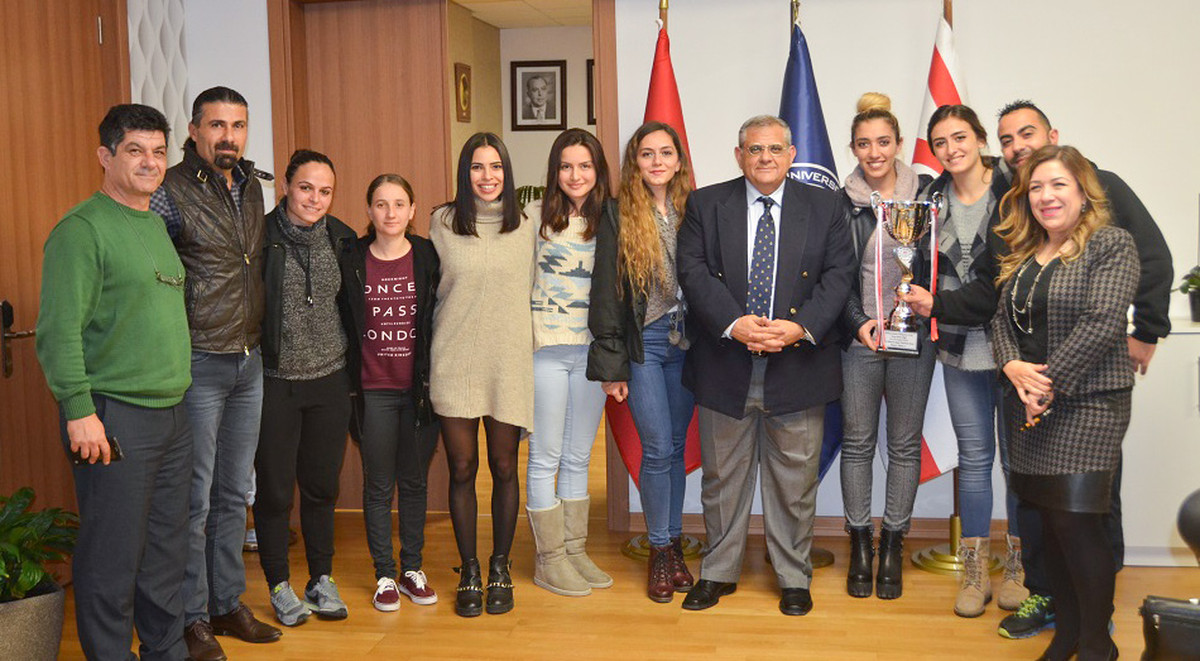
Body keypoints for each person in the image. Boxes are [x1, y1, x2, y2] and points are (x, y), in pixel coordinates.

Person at [902, 100, 1173, 637]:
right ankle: (1054, 604)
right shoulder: (1023, 224)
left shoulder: (1107, 211)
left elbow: (1130, 287)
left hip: (1086, 392)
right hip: (1025, 383)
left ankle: (1097, 621)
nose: (1018, 147)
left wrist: (1146, 330)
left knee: (1090, 510)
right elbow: (1001, 303)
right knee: (1040, 502)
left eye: (1026, 134)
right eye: (1008, 140)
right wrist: (1014, 366)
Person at [675, 115, 855, 616]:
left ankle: (793, 576)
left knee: (795, 482)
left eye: (775, 148)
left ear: (792, 154)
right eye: (754, 150)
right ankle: (717, 571)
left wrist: (801, 327)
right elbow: (690, 270)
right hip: (725, 361)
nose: (765, 158)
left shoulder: (826, 204)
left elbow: (839, 275)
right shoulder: (707, 203)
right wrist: (734, 322)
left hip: (799, 364)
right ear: (739, 156)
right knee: (721, 479)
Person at [36, 103, 192, 660]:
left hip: (173, 413)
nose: (150, 163)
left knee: (165, 555)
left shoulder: (153, 223)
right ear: (105, 156)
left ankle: (165, 651)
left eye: (157, 151)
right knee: (111, 558)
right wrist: (79, 410)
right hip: (114, 417)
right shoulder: (81, 231)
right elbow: (57, 333)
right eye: (135, 151)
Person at [992, 144, 1137, 661]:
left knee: (1078, 523)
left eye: (1058, 185)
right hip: (1028, 406)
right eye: (1035, 187)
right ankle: (1068, 633)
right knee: (1050, 524)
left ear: (1082, 192)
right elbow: (999, 322)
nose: (1046, 196)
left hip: (1089, 404)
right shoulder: (1024, 255)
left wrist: (1045, 387)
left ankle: (1098, 643)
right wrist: (1012, 369)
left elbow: (1102, 321)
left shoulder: (1111, 244)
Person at [149, 86, 279, 660]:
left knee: (234, 492)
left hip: (248, 360)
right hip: (199, 360)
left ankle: (228, 602)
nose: (229, 136)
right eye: (217, 125)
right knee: (194, 500)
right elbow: (149, 269)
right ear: (195, 130)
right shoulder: (168, 191)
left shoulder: (250, 185)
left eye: (239, 125)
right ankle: (191, 619)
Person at [589, 121, 696, 604]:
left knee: (674, 447)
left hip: (688, 344)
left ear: (678, 161)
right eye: (646, 153)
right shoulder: (616, 214)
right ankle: (658, 550)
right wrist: (612, 366)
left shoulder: (696, 208)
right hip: (644, 345)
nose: (656, 161)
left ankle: (673, 545)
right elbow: (608, 296)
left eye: (665, 153)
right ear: (635, 161)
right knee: (656, 448)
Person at [430, 132, 535, 617]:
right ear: (464, 173)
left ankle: (500, 566)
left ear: (507, 173)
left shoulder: (528, 225)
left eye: (495, 167)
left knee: (506, 467)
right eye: (477, 167)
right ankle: (469, 568)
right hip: (454, 360)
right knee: (462, 469)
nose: (487, 176)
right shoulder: (442, 223)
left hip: (508, 361)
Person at [836, 93, 935, 600]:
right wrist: (858, 323)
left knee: (903, 443)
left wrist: (930, 305)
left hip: (913, 336)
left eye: (883, 141)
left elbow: (947, 266)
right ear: (853, 148)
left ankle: (892, 541)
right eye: (863, 143)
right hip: (862, 338)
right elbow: (836, 278)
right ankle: (859, 543)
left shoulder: (928, 196)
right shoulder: (842, 201)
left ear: (898, 143)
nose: (874, 152)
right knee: (857, 442)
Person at [253, 149, 358, 627]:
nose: (315, 198)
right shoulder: (260, 238)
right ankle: (278, 583)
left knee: (321, 488)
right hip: (276, 383)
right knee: (275, 492)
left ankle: (321, 578)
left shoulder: (342, 239)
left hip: (329, 382)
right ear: (287, 187)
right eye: (305, 187)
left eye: (325, 190)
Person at [915, 104, 1004, 617]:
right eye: (941, 142)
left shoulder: (1014, 192)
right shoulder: (930, 199)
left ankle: (1017, 568)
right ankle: (975, 574)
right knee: (974, 459)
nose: (952, 149)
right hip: (957, 344)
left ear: (979, 138)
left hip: (1012, 346)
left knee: (1017, 463)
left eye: (960, 137)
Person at [345, 174, 441, 612]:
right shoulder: (351, 258)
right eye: (381, 204)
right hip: (373, 390)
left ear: (413, 210)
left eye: (399, 204)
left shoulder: (427, 255)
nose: (390, 213)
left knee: (415, 481)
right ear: (369, 211)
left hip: (418, 389)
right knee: (379, 485)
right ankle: (384, 573)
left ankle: (412, 569)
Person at [527, 128, 613, 597]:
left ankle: (575, 549)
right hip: (545, 351)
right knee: (545, 456)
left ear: (597, 171)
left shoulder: (611, 220)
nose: (575, 175)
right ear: (554, 172)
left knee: (580, 455)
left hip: (590, 354)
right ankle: (549, 559)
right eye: (566, 166)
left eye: (584, 165)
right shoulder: (533, 221)